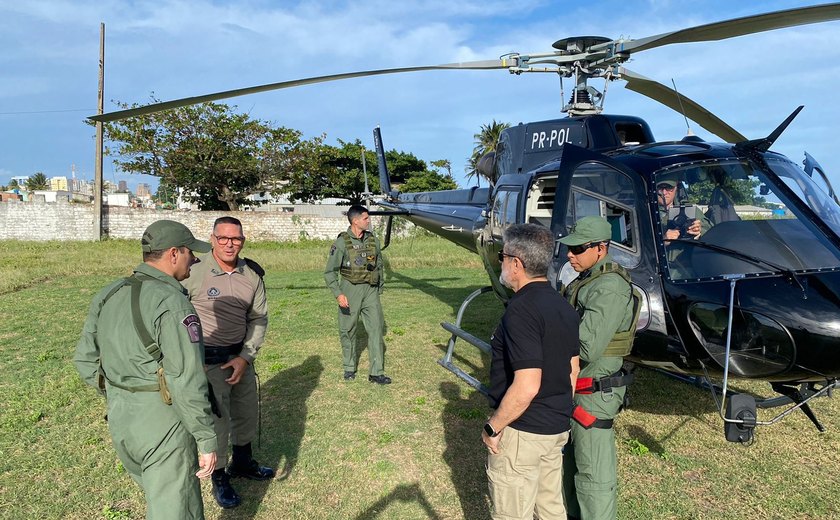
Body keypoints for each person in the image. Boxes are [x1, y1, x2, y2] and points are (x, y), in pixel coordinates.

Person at [74, 220, 217, 520]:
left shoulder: (108, 293)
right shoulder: (172, 303)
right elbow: (185, 378)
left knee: (161, 500)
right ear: (174, 254)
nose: (196, 259)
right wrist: (206, 439)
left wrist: (121, 394)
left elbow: (85, 360)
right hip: (163, 424)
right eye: (191, 252)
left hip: (122, 419)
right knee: (175, 509)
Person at [482, 223, 581, 520]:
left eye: (503, 256)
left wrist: (493, 427)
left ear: (516, 263)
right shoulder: (562, 306)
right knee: (550, 509)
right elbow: (572, 369)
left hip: (523, 432)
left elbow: (527, 385)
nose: (501, 262)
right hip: (555, 429)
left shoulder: (521, 309)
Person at [182, 216, 274, 509]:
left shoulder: (252, 275)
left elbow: (258, 318)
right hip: (208, 362)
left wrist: (246, 357)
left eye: (236, 239)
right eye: (223, 238)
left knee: (246, 413)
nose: (230, 244)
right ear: (212, 239)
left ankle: (243, 463)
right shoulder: (193, 272)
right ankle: (220, 476)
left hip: (241, 358)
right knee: (218, 422)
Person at [559, 216, 638, 520]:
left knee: (593, 475)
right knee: (574, 466)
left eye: (578, 248)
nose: (570, 254)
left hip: (594, 393)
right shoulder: (590, 278)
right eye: (570, 247)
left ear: (601, 248)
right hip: (581, 387)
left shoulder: (608, 286)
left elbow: (587, 346)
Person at [324, 204, 391, 384]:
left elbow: (379, 265)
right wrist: (338, 294)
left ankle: (376, 372)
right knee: (348, 329)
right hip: (349, 289)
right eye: (365, 218)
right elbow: (330, 272)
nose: (369, 221)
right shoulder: (341, 242)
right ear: (355, 221)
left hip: (370, 290)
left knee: (376, 328)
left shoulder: (373, 240)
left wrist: (379, 288)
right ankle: (349, 367)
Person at [656, 173, 711, 240]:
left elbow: (713, 234)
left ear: (676, 188)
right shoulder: (647, 214)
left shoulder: (691, 211)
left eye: (669, 187)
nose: (664, 192)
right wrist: (664, 241)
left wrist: (699, 232)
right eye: (659, 187)